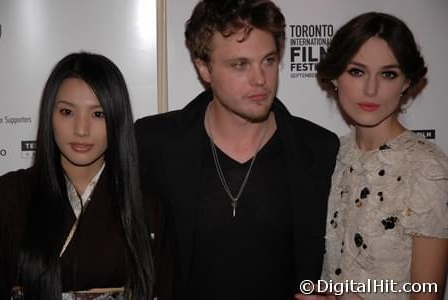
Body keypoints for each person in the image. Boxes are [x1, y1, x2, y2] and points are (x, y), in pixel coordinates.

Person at [135, 0, 339, 299]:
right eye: (240, 64)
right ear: (204, 68)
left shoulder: (319, 149)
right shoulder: (152, 142)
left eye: (268, 60)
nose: (260, 79)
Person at [313, 12, 448, 300]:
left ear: (406, 82)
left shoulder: (427, 168)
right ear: (335, 76)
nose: (371, 89)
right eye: (356, 71)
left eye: (388, 74)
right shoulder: (329, 154)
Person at [0, 52, 154, 299]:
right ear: (49, 115)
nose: (81, 130)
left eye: (98, 114)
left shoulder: (146, 205)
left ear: (117, 119)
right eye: (67, 112)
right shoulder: (7, 196)